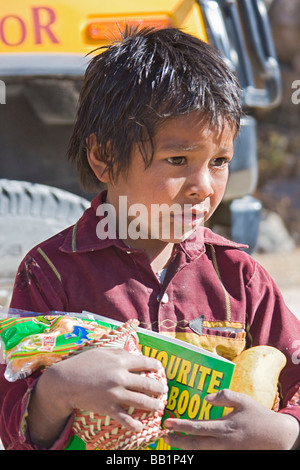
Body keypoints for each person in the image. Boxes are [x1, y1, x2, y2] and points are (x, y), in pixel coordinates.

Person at [0, 27, 299, 450]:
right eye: (178, 159)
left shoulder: (240, 277)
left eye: (219, 161)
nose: (203, 186)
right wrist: (58, 389)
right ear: (104, 157)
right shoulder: (50, 271)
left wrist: (287, 431)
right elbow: (13, 417)